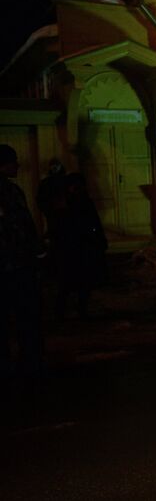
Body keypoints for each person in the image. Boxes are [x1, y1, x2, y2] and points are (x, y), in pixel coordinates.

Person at [0, 145, 44, 380]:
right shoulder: (9, 191)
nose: (17, 166)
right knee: (25, 315)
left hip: (11, 265)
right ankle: (29, 364)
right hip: (15, 266)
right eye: (12, 162)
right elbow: (22, 228)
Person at [50, 172, 108, 319]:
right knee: (66, 283)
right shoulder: (63, 203)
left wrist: (99, 240)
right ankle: (61, 311)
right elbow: (58, 225)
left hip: (84, 247)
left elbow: (94, 222)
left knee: (83, 282)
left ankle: (80, 310)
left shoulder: (84, 201)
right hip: (70, 248)